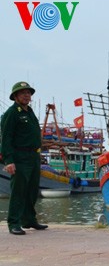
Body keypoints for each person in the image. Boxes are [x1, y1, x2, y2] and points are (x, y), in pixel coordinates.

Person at [1, 82, 47, 235]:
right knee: (18, 191)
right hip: (20, 156)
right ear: (15, 96)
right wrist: (9, 160)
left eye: (28, 93)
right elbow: (6, 138)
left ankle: (29, 220)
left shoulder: (29, 111)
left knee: (31, 190)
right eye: (22, 93)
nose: (26, 95)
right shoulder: (12, 113)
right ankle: (14, 223)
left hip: (33, 156)